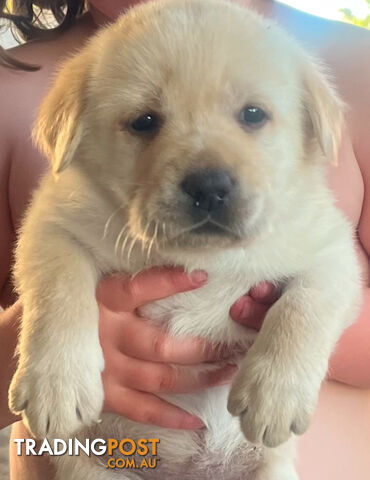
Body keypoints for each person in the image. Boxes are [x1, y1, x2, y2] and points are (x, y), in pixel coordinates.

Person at [0, 0, 369, 478]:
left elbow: (331, 268)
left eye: (252, 115)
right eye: (145, 123)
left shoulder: (351, 62)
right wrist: (51, 335)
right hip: (107, 458)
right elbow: (54, 237)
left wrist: (296, 339)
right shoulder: (19, 90)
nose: (209, 177)